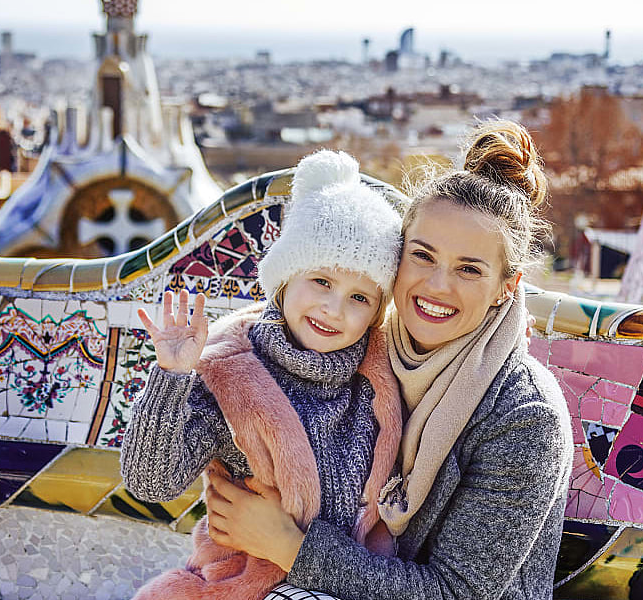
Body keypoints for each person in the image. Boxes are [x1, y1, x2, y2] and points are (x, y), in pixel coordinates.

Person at [204, 120, 575, 600]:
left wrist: (287, 545)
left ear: (507, 287)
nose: (438, 286)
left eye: (468, 269)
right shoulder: (361, 351)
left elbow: (454, 593)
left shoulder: (525, 415)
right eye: (423, 256)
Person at [120, 150, 406, 599]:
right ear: (287, 277)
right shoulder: (233, 373)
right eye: (322, 282)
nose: (334, 310)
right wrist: (172, 377)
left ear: (376, 313)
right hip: (243, 588)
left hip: (354, 585)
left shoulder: (380, 375)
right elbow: (149, 481)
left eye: (359, 298)